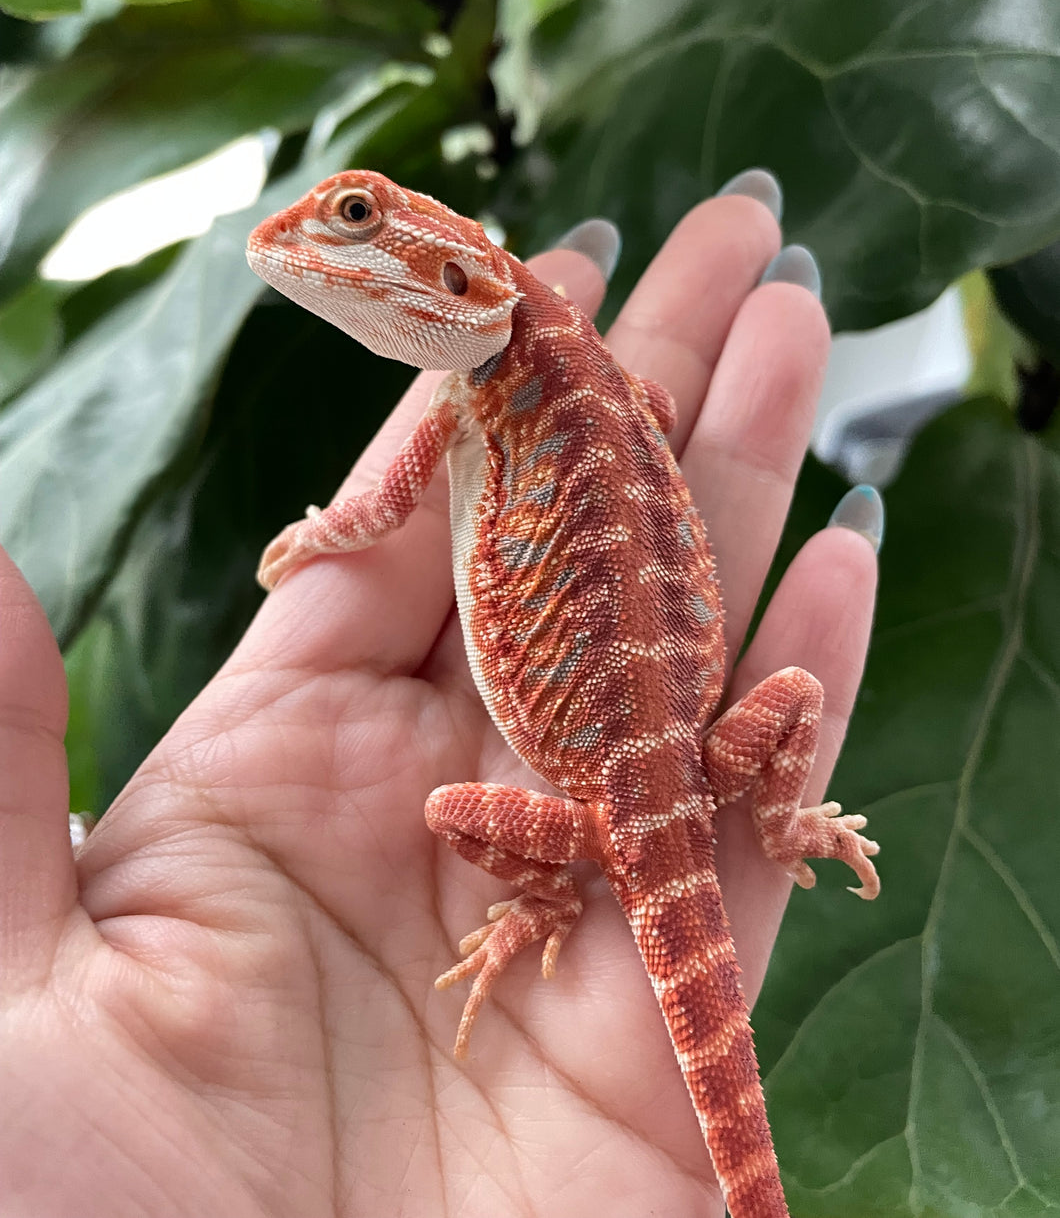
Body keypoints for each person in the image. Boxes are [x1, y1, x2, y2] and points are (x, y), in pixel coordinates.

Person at [0, 170, 882, 1217]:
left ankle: (554, 893)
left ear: (459, 276)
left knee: (449, 811)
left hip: (604, 803)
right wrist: (771, 820)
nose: (314, 246)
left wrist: (335, 530)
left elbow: (382, 511)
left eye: (357, 222)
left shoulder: (482, 392)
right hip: (704, 760)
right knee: (788, 692)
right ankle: (781, 822)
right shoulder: (521, 386)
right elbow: (656, 406)